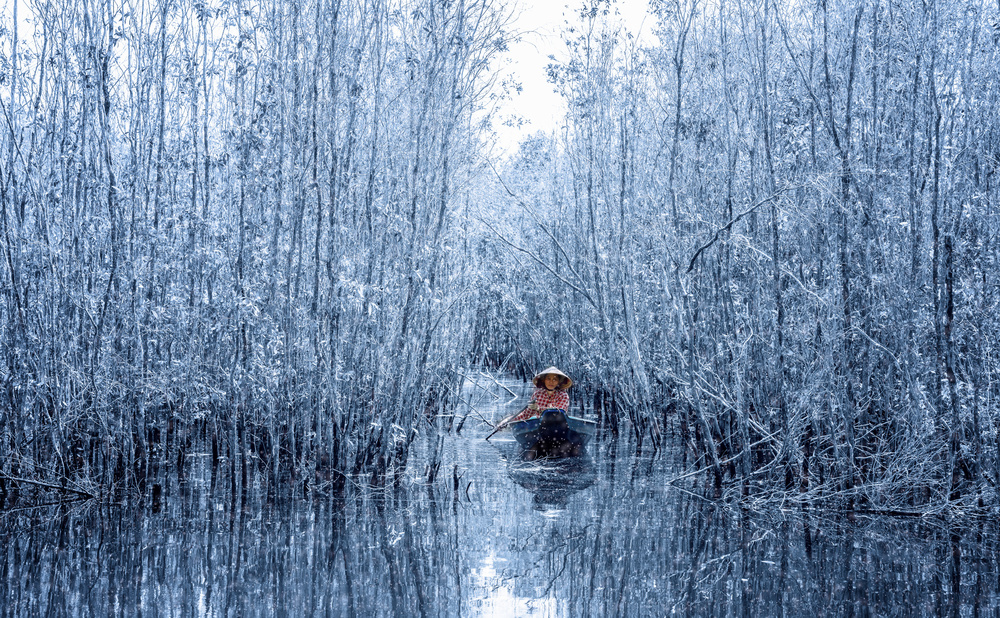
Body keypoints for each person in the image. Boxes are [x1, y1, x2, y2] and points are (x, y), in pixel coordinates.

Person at [508, 366, 572, 424]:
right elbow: (526, 415)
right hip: (541, 424)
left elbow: (557, 413)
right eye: (548, 379)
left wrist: (538, 408)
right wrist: (509, 420)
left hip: (559, 424)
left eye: (555, 379)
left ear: (558, 382)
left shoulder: (563, 395)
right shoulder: (537, 394)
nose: (551, 382)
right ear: (544, 380)